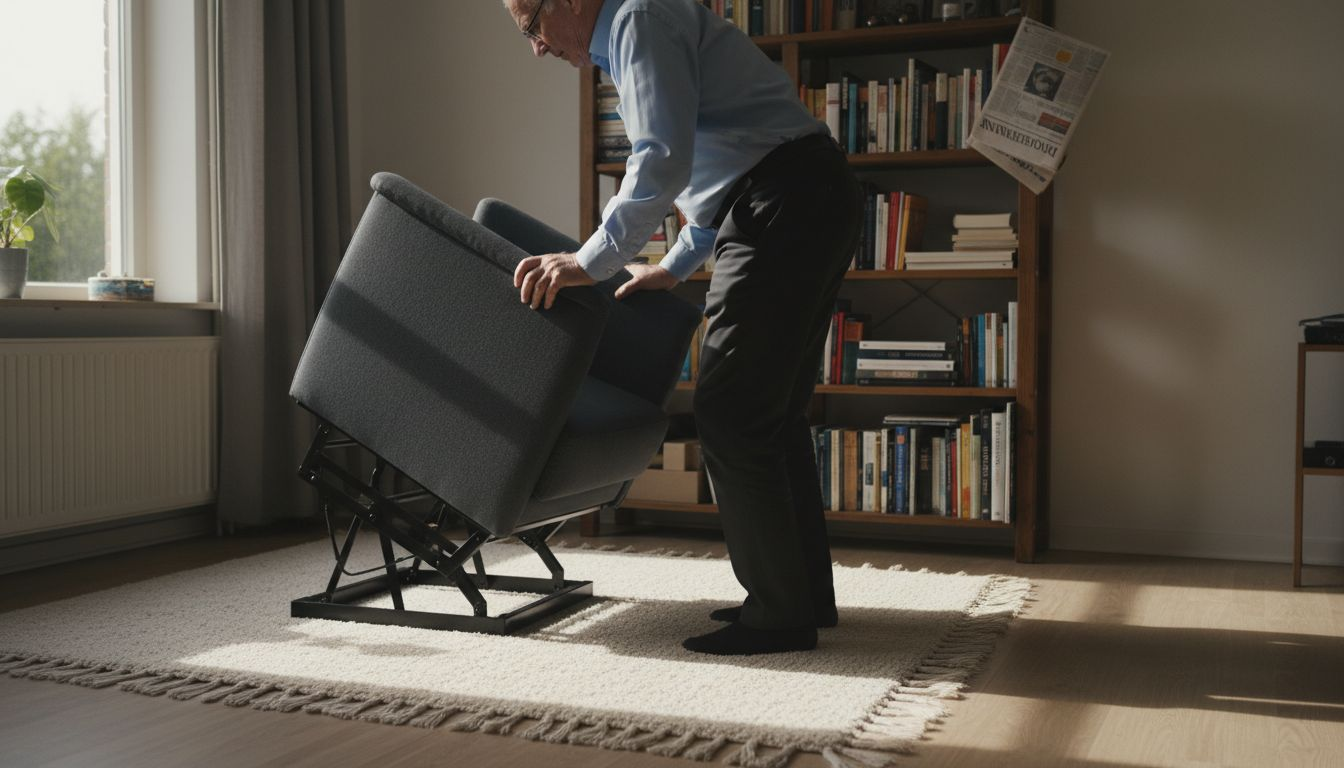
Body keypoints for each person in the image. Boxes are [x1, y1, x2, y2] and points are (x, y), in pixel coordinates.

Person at [504, 0, 862, 656]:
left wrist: (589, 262)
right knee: (770, 416)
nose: (535, 48)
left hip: (781, 202)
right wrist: (672, 268)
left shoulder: (638, 19)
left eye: (531, 26)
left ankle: (782, 614)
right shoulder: (638, 29)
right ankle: (798, 596)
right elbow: (715, 166)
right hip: (800, 196)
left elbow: (661, 160)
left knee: (731, 412)